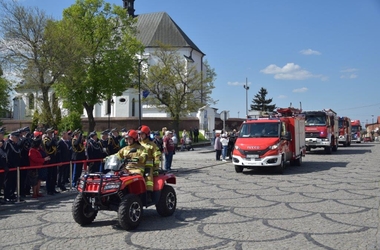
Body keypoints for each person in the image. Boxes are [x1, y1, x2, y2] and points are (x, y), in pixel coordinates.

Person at [138, 125, 161, 200]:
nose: (140, 135)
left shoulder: (152, 145)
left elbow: (157, 156)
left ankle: (149, 194)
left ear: (147, 134)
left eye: (142, 134)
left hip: (148, 166)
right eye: (139, 134)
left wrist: (156, 167)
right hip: (137, 166)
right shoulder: (137, 144)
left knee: (148, 178)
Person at [3, 131, 21, 202]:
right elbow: (7, 156)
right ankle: (7, 196)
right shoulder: (8, 144)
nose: (17, 139)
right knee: (8, 182)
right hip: (10, 166)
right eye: (16, 137)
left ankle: (12, 194)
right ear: (12, 137)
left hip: (15, 166)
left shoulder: (14, 144)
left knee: (14, 182)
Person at [43, 127, 59, 195]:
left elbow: (56, 145)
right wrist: (52, 139)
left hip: (54, 158)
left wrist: (54, 139)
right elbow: (48, 145)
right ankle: (49, 189)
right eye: (50, 133)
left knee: (54, 175)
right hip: (49, 158)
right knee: (49, 175)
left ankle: (53, 188)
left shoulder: (52, 139)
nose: (51, 134)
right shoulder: (46, 139)